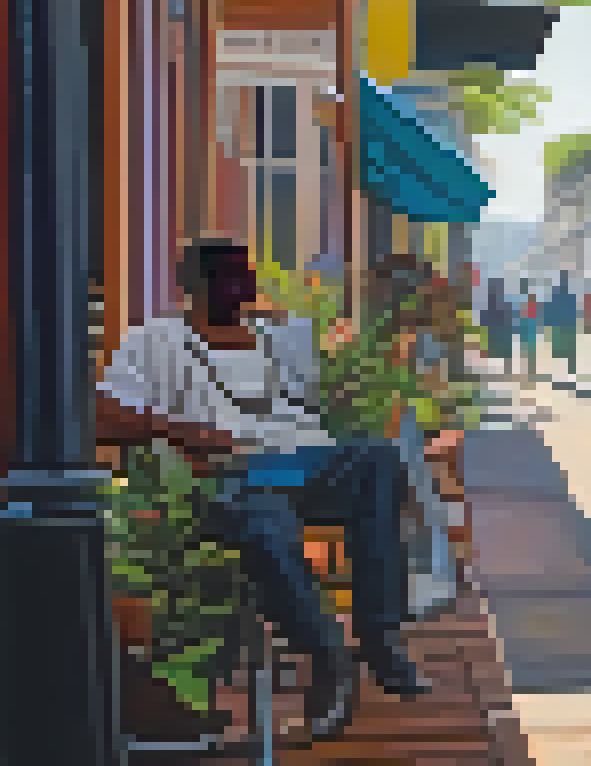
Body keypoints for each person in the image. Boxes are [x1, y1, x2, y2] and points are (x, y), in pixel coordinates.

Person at [97, 238, 439, 739]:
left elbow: (308, 406)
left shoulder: (274, 336)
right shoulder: (158, 340)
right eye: (228, 277)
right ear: (193, 286)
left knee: (379, 461)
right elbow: (104, 415)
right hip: (224, 473)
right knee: (266, 522)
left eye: (246, 276)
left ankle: (379, 637)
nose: (242, 288)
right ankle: (327, 656)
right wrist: (180, 429)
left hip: (299, 462)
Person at [547, 273, 580, 380]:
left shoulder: (555, 297)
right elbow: (574, 312)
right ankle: (570, 374)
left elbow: (550, 312)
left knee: (560, 352)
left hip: (559, 327)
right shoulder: (571, 297)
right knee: (569, 352)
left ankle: (559, 375)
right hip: (568, 327)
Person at [484, 275, 515, 374]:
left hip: (498, 336)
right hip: (499, 336)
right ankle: (504, 371)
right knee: (500, 354)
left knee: (498, 355)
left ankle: (501, 371)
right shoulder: (505, 306)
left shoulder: (490, 307)